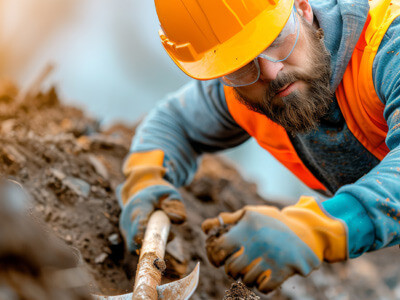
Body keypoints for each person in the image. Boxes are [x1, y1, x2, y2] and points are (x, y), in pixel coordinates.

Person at [117, 0, 400, 293]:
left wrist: (319, 228)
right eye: (241, 63)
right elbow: (174, 121)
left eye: (275, 39)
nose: (271, 72)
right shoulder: (243, 87)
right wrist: (145, 178)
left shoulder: (387, 48)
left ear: (303, 8)